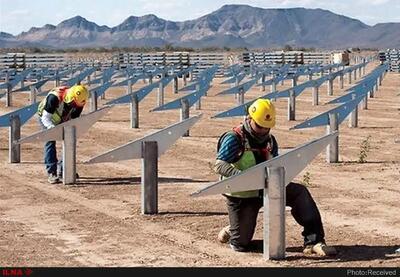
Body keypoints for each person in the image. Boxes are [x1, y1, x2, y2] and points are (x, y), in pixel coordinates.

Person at [213, 98, 337, 256]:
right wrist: (243, 178)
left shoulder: (270, 140)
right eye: (259, 126)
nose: (263, 131)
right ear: (249, 119)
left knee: (300, 192)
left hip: (267, 187)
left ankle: (313, 240)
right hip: (242, 195)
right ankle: (233, 229)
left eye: (267, 128)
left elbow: (276, 161)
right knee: (240, 244)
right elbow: (219, 165)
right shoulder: (234, 139)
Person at [37, 84, 89, 184]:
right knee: (50, 142)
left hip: (63, 118)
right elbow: (45, 118)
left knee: (69, 141)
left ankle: (64, 170)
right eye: (73, 104)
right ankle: (52, 172)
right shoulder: (54, 97)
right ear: (71, 98)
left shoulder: (80, 101)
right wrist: (51, 128)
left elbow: (74, 119)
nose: (75, 106)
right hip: (47, 118)